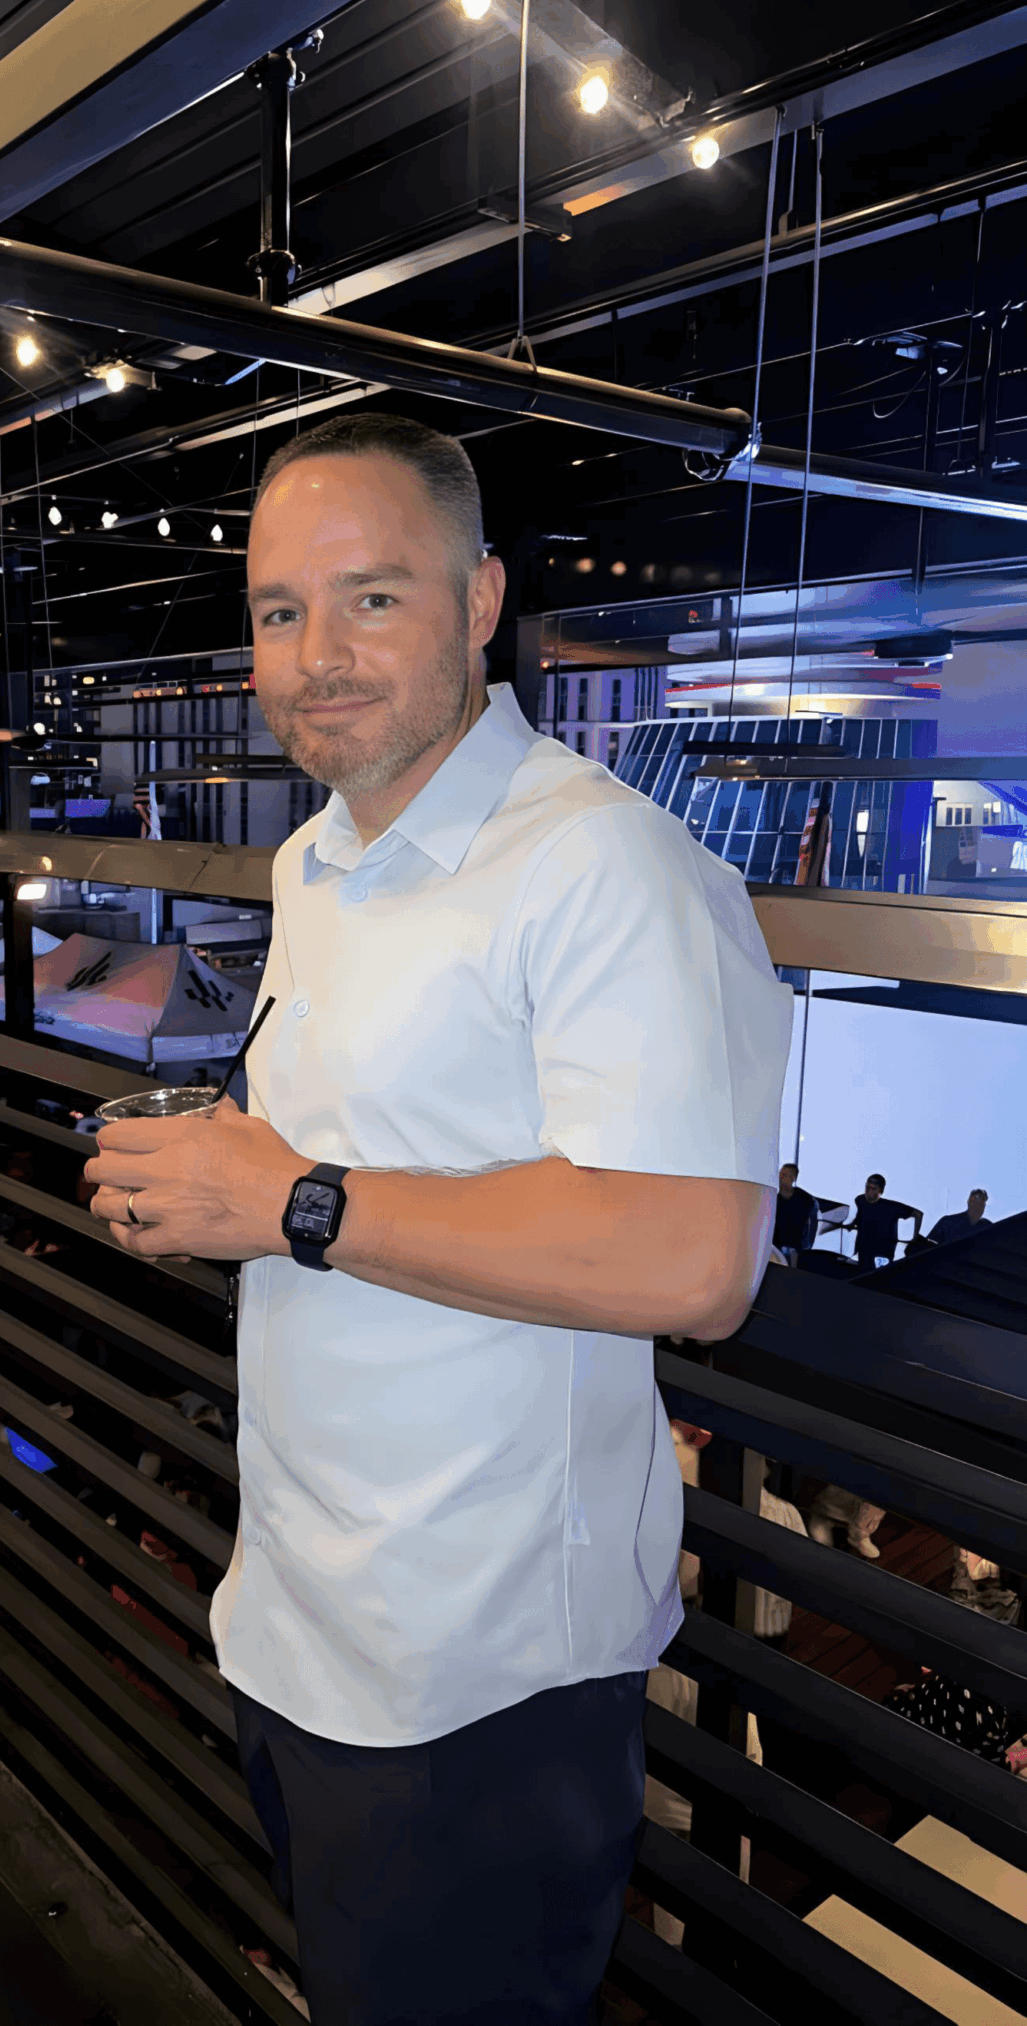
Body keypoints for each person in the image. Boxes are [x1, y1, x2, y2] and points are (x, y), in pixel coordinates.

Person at [83, 411, 790, 2026]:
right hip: (299, 1620)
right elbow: (365, 1161)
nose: (318, 656)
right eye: (281, 611)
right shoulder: (318, 860)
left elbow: (696, 1262)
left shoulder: (605, 866)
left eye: (373, 598)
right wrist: (222, 1178)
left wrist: (291, 1199)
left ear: (478, 602)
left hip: (480, 1681)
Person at [851, 1173, 922, 1274]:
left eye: (873, 1189)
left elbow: (918, 1214)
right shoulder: (860, 1201)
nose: (869, 1192)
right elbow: (858, 1218)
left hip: (882, 1255)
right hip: (863, 1253)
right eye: (867, 1187)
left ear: (881, 1191)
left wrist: (914, 1237)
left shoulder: (891, 1207)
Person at [772, 1162, 819, 1264]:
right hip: (775, 1248)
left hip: (796, 1249)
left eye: (784, 1175)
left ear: (793, 1178)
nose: (780, 1178)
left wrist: (806, 1247)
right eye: (780, 1174)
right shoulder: (773, 1199)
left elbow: (811, 1227)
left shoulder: (806, 1200)